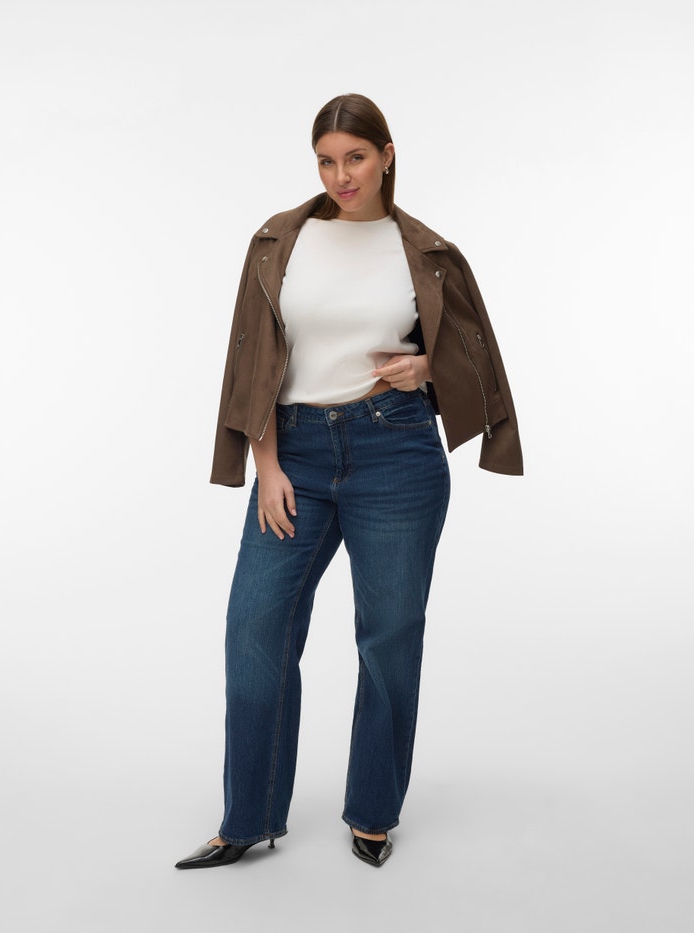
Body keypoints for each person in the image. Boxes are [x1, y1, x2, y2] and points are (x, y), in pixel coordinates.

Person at [175, 93, 522, 870]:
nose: (341, 175)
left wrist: (426, 367)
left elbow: (468, 354)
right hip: (295, 453)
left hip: (395, 452)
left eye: (356, 158)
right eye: (327, 161)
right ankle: (247, 817)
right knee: (255, 629)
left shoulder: (424, 250)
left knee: (389, 637)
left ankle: (373, 811)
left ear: (387, 155)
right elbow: (253, 363)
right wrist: (266, 465)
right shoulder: (281, 240)